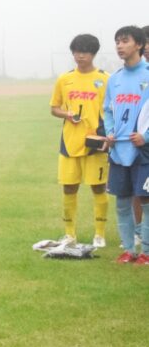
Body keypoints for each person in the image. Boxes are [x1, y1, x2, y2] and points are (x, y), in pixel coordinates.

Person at [49, 34, 110, 246]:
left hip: (95, 142)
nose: (79, 56)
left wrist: (106, 133)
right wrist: (66, 114)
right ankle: (69, 234)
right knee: (69, 187)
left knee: (98, 188)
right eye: (76, 51)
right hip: (69, 142)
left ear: (93, 54)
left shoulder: (105, 79)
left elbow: (111, 110)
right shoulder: (64, 79)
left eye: (84, 52)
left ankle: (100, 234)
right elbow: (54, 108)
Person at [99, 25, 149, 263]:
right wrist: (109, 132)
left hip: (144, 152)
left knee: (147, 202)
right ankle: (129, 249)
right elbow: (107, 110)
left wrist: (146, 137)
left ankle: (147, 253)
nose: (119, 46)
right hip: (119, 151)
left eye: (125, 41)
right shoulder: (115, 79)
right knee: (121, 203)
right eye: (117, 41)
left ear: (138, 44)